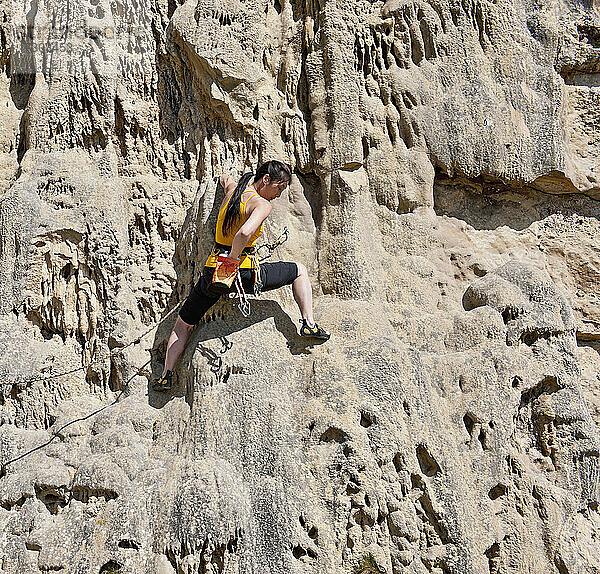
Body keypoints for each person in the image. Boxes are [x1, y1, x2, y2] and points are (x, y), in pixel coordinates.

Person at [153, 160, 330, 391]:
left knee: (183, 324)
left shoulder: (234, 192)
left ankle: (166, 375)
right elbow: (245, 232)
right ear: (265, 179)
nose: (278, 194)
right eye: (279, 187)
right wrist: (234, 260)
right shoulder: (261, 205)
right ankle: (309, 323)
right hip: (242, 273)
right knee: (298, 270)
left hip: (213, 272)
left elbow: (225, 179)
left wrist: (224, 176)